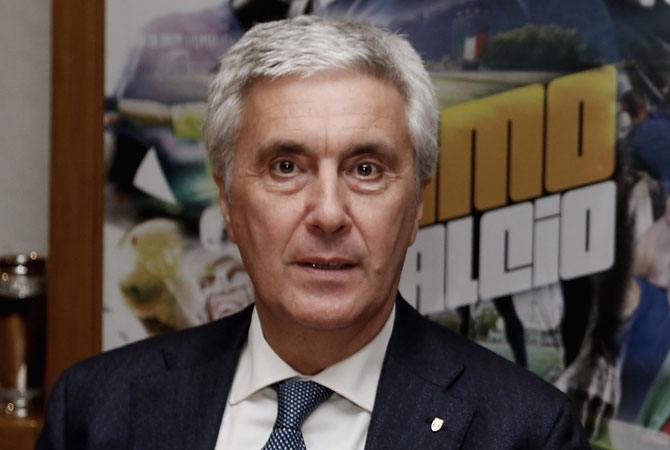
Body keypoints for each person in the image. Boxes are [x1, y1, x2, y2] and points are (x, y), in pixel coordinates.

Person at [37, 16, 590, 449]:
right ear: (227, 199)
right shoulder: (95, 411)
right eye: (286, 167)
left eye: (366, 169)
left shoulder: (527, 433)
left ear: (417, 203)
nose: (328, 213)